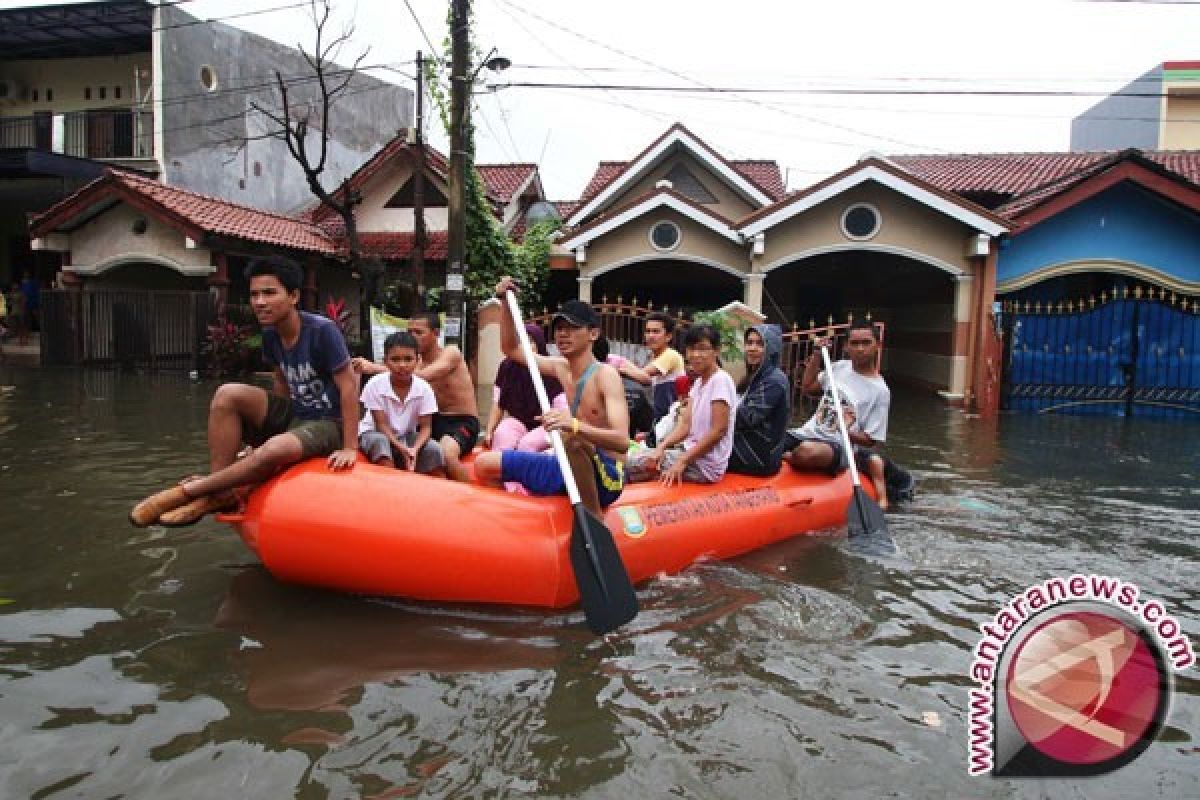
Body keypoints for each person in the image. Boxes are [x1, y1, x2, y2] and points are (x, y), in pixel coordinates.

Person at [130, 256, 360, 527]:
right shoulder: (271, 335)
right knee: (227, 393)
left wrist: (349, 447)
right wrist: (265, 435)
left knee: (274, 449)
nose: (260, 302)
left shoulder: (323, 331)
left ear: (294, 296)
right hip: (297, 413)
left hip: (328, 422)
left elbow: (349, 385)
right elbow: (282, 382)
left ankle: (194, 490)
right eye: (254, 294)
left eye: (269, 293)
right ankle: (221, 492)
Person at [474, 280, 630, 516]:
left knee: (573, 440)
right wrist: (505, 303)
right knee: (484, 465)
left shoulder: (606, 375)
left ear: (593, 334)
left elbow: (621, 441)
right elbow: (511, 349)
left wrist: (574, 425)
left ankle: (593, 517)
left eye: (572, 328)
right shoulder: (560, 368)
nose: (563, 335)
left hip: (606, 476)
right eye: (559, 329)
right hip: (568, 464)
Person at [354, 311, 479, 482]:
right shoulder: (411, 363)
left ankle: (470, 497)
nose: (412, 336)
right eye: (409, 331)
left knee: (446, 454)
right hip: (430, 421)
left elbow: (423, 375)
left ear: (436, 333)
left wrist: (373, 367)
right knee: (415, 448)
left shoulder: (450, 353)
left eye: (419, 332)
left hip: (459, 421)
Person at [783, 322, 890, 508]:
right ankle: (782, 453)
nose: (860, 349)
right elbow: (808, 387)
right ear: (847, 346)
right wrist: (817, 355)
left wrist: (845, 430)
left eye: (866, 343)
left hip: (838, 447)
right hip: (807, 433)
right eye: (855, 344)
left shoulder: (880, 391)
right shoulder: (840, 368)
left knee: (807, 452)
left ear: (877, 346)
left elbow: (871, 440)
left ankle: (784, 456)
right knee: (764, 441)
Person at [627, 323, 738, 486]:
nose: (695, 355)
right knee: (640, 460)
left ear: (716, 350)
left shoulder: (720, 380)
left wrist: (682, 461)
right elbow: (685, 424)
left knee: (628, 463)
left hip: (704, 464)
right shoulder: (699, 382)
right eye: (691, 349)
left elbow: (718, 431)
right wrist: (662, 447)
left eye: (702, 349)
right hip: (687, 453)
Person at [358, 331, 444, 475]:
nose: (402, 365)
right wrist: (401, 448)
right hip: (373, 433)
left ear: (418, 360)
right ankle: (391, 488)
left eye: (408, 359)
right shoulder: (375, 384)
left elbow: (426, 427)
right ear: (385, 361)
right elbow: (381, 425)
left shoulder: (423, 388)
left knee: (434, 449)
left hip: (406, 435)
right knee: (381, 443)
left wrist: (414, 449)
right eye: (395, 359)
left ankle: (438, 490)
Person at [484, 323, 565, 454]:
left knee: (527, 445)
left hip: (547, 425)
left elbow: (562, 410)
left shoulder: (552, 368)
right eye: (521, 342)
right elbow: (498, 403)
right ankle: (501, 471)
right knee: (502, 435)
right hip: (518, 421)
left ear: (539, 345)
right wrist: (489, 431)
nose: (525, 346)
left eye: (531, 341)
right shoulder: (507, 367)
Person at [728, 324, 791, 477]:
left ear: (772, 348)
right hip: (745, 444)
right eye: (749, 343)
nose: (752, 348)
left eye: (760, 344)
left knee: (699, 451)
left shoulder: (774, 380)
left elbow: (746, 418)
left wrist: (708, 413)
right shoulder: (755, 376)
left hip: (758, 456)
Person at [618, 312, 685, 436]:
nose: (650, 336)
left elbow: (643, 375)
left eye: (655, 331)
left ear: (668, 336)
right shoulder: (655, 358)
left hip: (672, 422)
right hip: (663, 421)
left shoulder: (670, 355)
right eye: (648, 331)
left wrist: (621, 368)